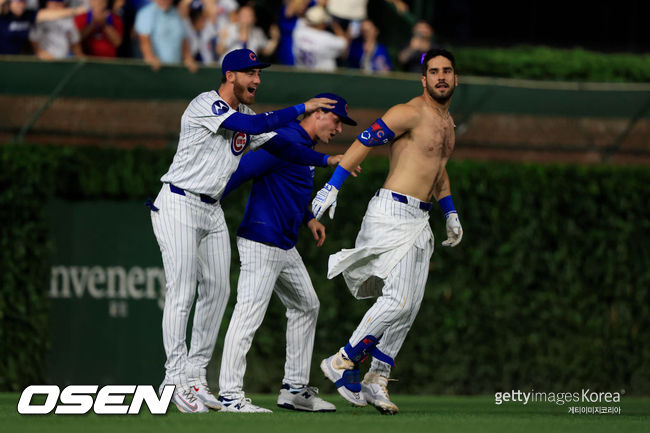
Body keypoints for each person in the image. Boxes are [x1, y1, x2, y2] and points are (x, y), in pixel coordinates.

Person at [148, 48, 339, 414]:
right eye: (251, 73)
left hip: (212, 208)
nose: (257, 80)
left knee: (218, 292)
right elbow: (251, 128)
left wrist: (327, 159)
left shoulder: (248, 115)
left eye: (259, 73)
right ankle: (173, 379)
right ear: (231, 75)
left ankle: (196, 377)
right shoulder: (206, 104)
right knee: (182, 290)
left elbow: (284, 146)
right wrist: (302, 107)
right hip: (178, 202)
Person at [311, 48, 464, 414]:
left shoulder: (448, 124)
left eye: (447, 71)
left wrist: (450, 211)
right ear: (423, 79)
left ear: (455, 78)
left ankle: (376, 378)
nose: (440, 77)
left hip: (420, 219)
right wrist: (333, 185)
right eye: (433, 71)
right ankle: (342, 360)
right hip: (392, 211)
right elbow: (365, 140)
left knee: (408, 309)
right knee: (398, 300)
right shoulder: (408, 112)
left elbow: (437, 172)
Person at [216, 93, 358, 413]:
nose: (338, 129)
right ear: (319, 112)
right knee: (249, 314)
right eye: (336, 120)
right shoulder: (285, 138)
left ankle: (294, 389)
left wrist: (308, 218)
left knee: (307, 305)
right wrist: (206, 205)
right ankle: (229, 395)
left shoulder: (303, 146)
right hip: (261, 239)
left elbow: (288, 183)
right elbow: (241, 171)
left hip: (283, 243)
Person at [0, 0, 85, 55]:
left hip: (16, 59)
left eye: (24, 1)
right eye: (18, 1)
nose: (21, 4)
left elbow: (48, 14)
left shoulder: (27, 15)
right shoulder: (3, 16)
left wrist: (76, 10)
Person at [134, 0, 197, 72]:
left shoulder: (177, 13)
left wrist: (188, 58)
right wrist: (149, 57)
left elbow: (183, 39)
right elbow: (144, 39)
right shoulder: (145, 13)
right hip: (155, 70)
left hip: (175, 69)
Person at [292, 5, 347, 72]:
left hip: (302, 74)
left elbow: (303, 21)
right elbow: (344, 42)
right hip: (323, 77)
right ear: (322, 23)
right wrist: (334, 24)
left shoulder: (298, 32)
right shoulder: (326, 38)